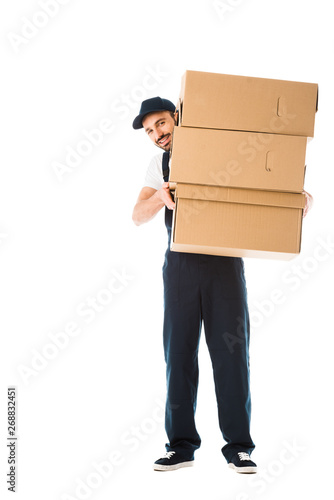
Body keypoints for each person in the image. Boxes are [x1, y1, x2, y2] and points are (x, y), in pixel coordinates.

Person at [132, 97, 258, 474]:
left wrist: (304, 201)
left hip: (224, 265)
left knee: (231, 357)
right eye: (150, 130)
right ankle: (181, 446)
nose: (157, 134)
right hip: (181, 269)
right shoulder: (160, 165)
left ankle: (239, 447)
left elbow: (264, 189)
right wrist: (160, 196)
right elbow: (137, 216)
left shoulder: (221, 151)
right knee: (179, 356)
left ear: (177, 117)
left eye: (161, 124)